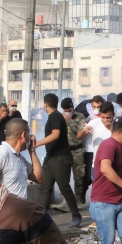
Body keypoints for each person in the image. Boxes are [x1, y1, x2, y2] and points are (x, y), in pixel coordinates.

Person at [35, 93, 82, 228]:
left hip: (60, 158)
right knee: (45, 187)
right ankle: (42, 218)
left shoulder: (55, 116)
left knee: (64, 187)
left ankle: (76, 215)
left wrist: (38, 143)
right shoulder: (53, 117)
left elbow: (55, 135)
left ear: (45, 104)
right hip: (51, 157)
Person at [0, 119, 43, 199]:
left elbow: (39, 178)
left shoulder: (19, 158)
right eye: (29, 134)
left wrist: (32, 151)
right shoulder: (0, 153)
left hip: (20, 208)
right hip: (6, 210)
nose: (30, 137)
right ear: (24, 135)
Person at [79, 101, 115, 202]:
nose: (105, 120)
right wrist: (83, 132)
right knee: (98, 189)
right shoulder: (95, 122)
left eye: (108, 118)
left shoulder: (117, 124)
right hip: (97, 164)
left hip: (113, 164)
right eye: (103, 117)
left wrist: (110, 127)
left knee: (111, 190)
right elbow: (79, 137)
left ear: (113, 115)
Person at [62, 97, 87, 205]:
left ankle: (77, 200)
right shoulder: (60, 117)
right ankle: (65, 201)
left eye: (69, 110)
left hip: (77, 150)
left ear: (73, 107)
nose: (67, 112)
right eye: (65, 110)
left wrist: (70, 121)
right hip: (65, 151)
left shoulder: (80, 116)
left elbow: (80, 133)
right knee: (63, 177)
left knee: (79, 177)